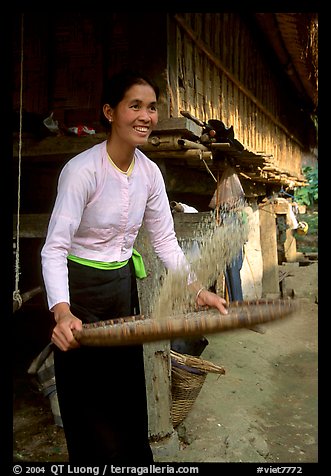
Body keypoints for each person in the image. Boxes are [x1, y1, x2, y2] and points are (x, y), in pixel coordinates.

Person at [41, 69, 228, 463]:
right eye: (135, 106)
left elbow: (165, 242)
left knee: (126, 395)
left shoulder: (149, 174)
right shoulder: (82, 171)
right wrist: (62, 312)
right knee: (86, 403)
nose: (146, 116)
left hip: (124, 289)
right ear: (110, 112)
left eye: (153, 108)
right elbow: (54, 247)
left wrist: (197, 290)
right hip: (81, 294)